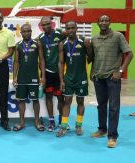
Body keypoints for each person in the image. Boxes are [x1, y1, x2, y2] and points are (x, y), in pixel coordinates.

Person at [90, 15, 133, 148]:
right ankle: (102, 129)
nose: (103, 22)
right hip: (98, 77)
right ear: (98, 23)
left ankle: (112, 136)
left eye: (106, 20)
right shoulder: (94, 39)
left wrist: (120, 71)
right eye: (101, 20)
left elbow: (130, 54)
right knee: (101, 105)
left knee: (114, 108)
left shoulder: (118, 36)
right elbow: (94, 57)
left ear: (110, 22)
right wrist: (92, 71)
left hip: (112, 78)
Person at [56, 21, 91, 137]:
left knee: (80, 101)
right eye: (68, 28)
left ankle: (79, 125)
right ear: (65, 29)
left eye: (72, 28)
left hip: (81, 78)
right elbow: (61, 63)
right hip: (68, 78)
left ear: (76, 28)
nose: (70, 30)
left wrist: (89, 47)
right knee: (67, 102)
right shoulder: (62, 44)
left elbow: (91, 58)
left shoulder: (83, 41)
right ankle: (64, 127)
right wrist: (61, 80)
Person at [12, 24, 46, 131]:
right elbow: (16, 62)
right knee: (21, 100)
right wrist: (14, 77)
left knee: (35, 100)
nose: (26, 33)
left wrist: (43, 76)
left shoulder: (37, 44)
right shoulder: (18, 45)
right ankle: (22, 122)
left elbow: (41, 60)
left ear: (31, 32)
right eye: (24, 31)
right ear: (21, 33)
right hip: (22, 77)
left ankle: (37, 121)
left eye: (28, 31)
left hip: (34, 77)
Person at [38, 16, 66, 131]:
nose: (45, 26)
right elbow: (42, 59)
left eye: (47, 24)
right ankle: (51, 121)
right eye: (43, 25)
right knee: (48, 96)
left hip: (59, 72)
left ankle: (62, 121)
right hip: (47, 73)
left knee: (60, 97)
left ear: (52, 24)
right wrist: (43, 76)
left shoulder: (60, 34)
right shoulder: (40, 38)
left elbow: (71, 36)